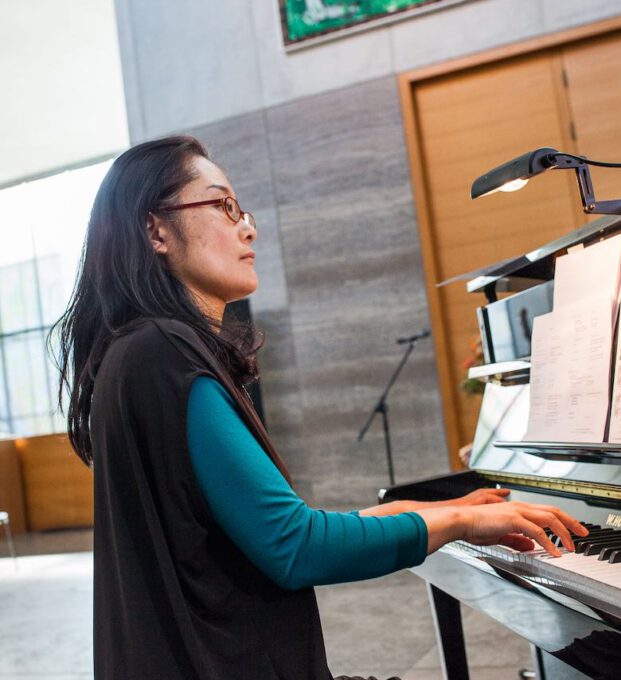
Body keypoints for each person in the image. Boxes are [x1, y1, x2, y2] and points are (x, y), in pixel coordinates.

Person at [53, 136, 587, 680]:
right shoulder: (163, 352)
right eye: (223, 205)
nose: (249, 228)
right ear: (156, 230)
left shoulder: (140, 352)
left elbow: (279, 530)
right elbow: (297, 547)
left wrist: (436, 512)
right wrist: (464, 520)